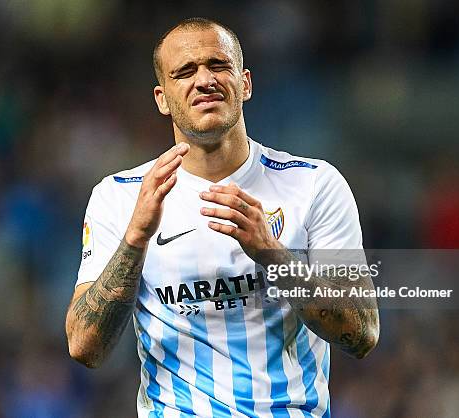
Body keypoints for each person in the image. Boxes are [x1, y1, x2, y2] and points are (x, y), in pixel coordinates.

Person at [65, 17, 379, 418]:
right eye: (184, 72)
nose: (204, 80)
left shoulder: (315, 184)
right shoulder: (121, 196)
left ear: (244, 83)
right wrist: (134, 240)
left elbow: (362, 335)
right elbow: (84, 348)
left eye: (218, 65)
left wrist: (271, 254)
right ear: (162, 98)